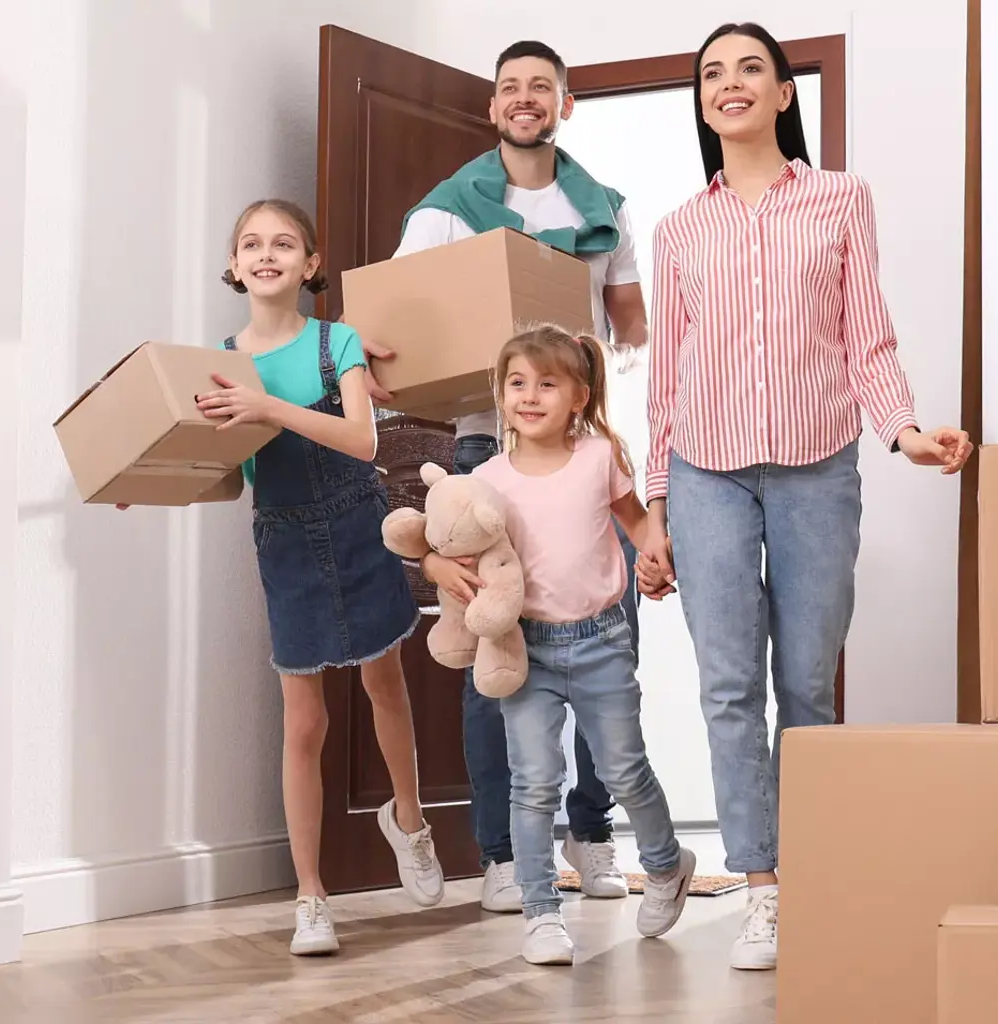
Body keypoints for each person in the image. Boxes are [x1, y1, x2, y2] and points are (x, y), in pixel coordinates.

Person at [635, 23, 973, 972]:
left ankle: (813, 866)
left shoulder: (838, 200)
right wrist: (653, 507)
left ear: (785, 94)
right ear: (701, 101)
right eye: (712, 74)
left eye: (751, 69)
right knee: (729, 686)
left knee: (808, 685)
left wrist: (904, 430)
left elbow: (866, 335)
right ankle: (761, 889)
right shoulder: (678, 230)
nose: (730, 84)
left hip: (819, 464)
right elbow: (669, 374)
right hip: (706, 472)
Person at [383, 39, 651, 914]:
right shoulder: (444, 213)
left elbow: (634, 331)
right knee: (496, 654)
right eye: (510, 89)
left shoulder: (605, 209)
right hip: (479, 455)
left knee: (606, 644)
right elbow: (400, 338)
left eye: (542, 87)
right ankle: (502, 853)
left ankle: (591, 833)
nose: (525, 99)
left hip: (579, 458)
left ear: (566, 105)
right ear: (492, 107)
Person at [191, 198, 448, 957]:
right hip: (286, 538)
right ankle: (311, 895)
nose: (265, 254)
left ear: (310, 265)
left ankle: (410, 820)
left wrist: (268, 405)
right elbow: (224, 474)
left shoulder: (338, 342)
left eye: (284, 243)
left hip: (356, 519)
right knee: (303, 722)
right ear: (234, 267)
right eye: (250, 244)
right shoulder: (218, 363)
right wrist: (156, 472)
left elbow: (363, 438)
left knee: (384, 684)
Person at [421, 325, 694, 966]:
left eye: (547, 383)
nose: (530, 396)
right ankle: (542, 914)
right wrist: (437, 571)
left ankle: (664, 864)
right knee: (534, 783)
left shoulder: (600, 458)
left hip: (601, 641)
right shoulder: (486, 477)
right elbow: (442, 540)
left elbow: (638, 530)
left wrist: (656, 564)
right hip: (526, 651)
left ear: (579, 396)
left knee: (625, 769)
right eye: (517, 383)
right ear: (500, 394)